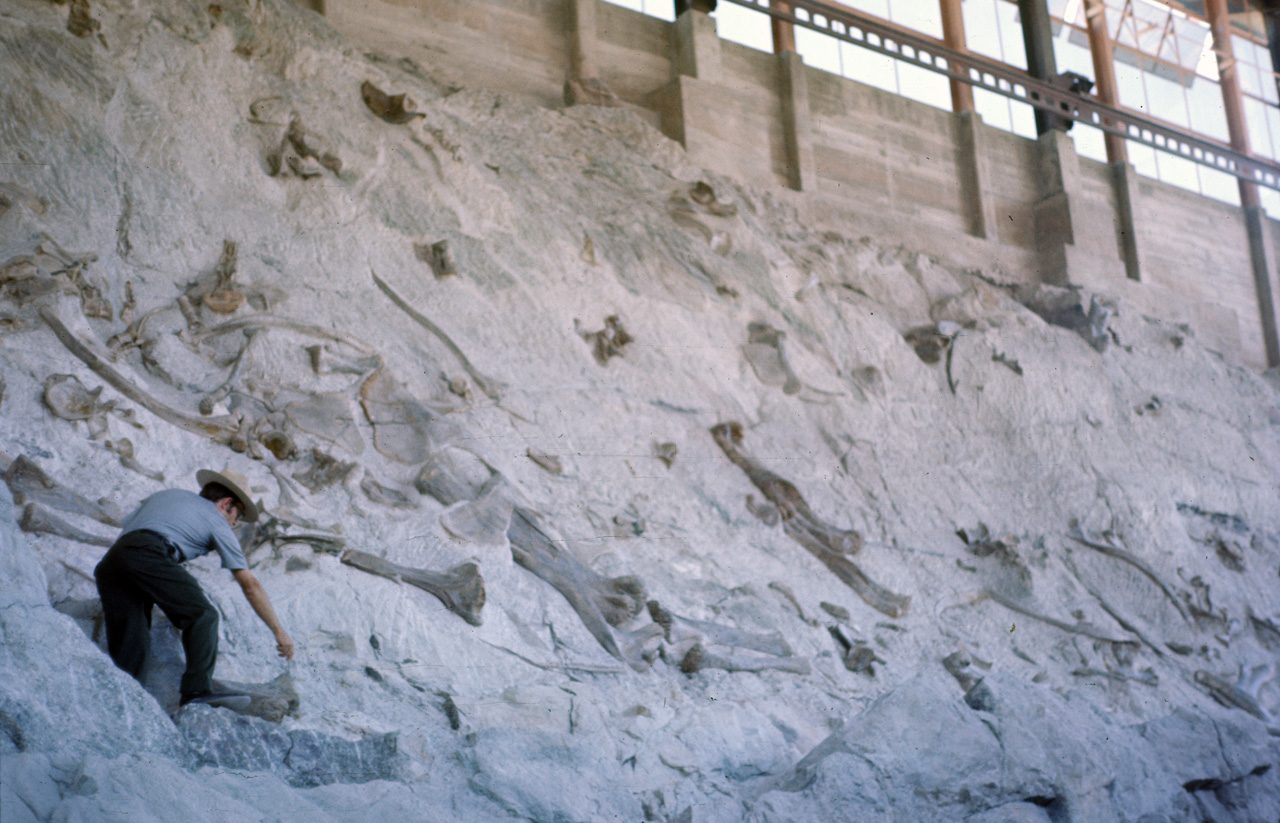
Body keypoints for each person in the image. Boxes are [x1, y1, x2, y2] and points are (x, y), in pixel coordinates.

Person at [94, 467, 295, 707]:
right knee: (203, 615)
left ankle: (121, 703)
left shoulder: (168, 495)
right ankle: (197, 691)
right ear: (226, 503)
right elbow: (250, 584)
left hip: (112, 563)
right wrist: (279, 632)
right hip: (149, 553)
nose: (234, 523)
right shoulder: (216, 519)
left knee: (132, 644)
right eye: (236, 516)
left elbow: (132, 530)